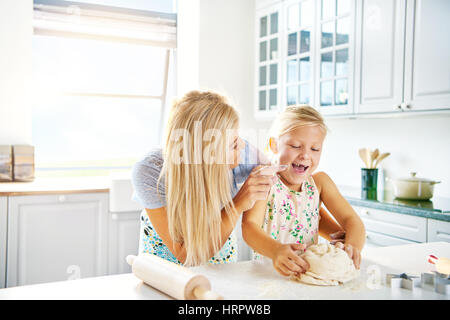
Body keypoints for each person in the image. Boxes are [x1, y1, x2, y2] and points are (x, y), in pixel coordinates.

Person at [131, 91, 345, 267]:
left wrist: (337, 235)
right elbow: (188, 256)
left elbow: (295, 195)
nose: (243, 146)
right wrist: (238, 203)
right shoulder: (152, 171)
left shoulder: (244, 157)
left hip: (221, 266)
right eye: (233, 143)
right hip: (162, 273)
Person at [242, 105, 365, 277]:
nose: (306, 155)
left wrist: (351, 249)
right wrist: (276, 250)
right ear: (274, 145)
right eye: (295, 145)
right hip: (269, 274)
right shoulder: (265, 178)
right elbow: (249, 227)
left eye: (315, 149)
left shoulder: (320, 183)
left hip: (309, 274)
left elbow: (352, 221)